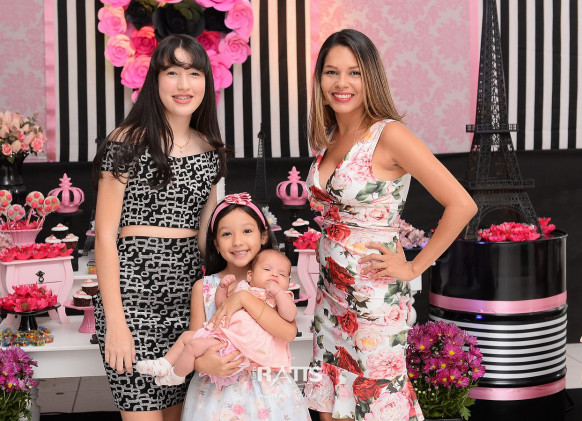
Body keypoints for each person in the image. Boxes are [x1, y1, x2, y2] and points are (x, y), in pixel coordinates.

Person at [303, 29, 478, 421]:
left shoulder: (389, 134)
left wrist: (415, 267)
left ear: (371, 78)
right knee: (333, 404)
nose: (342, 83)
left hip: (374, 299)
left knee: (377, 403)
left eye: (354, 72)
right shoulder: (331, 136)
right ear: (320, 80)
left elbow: (462, 204)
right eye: (332, 72)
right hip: (330, 296)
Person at [92, 34, 226, 421]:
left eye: (194, 73)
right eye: (172, 72)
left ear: (206, 82)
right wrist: (115, 323)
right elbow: (105, 236)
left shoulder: (210, 150)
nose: (184, 84)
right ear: (155, 79)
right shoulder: (126, 142)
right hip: (131, 299)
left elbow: (208, 239)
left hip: (188, 304)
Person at [180, 193, 311, 420]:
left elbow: (288, 332)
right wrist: (204, 364)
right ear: (216, 244)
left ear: (263, 236)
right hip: (216, 395)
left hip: (269, 393)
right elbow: (193, 342)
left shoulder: (273, 286)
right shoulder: (205, 288)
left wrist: (244, 299)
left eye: (247, 231)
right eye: (226, 234)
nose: (237, 241)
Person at [135, 248, 297, 389]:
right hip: (224, 338)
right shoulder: (243, 288)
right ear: (250, 275)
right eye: (267, 269)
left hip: (242, 347)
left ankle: (176, 376)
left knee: (194, 346)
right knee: (187, 338)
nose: (274, 274)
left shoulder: (281, 297)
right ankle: (165, 363)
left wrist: (278, 293)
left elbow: (289, 315)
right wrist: (222, 288)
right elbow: (222, 306)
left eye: (282, 274)